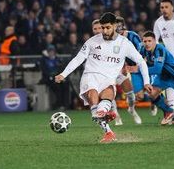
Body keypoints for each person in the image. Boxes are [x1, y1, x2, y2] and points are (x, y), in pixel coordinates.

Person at [55, 12, 150, 143]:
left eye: (107, 28)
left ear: (115, 26)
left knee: (108, 95)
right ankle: (101, 114)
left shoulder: (124, 44)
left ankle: (107, 130)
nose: (104, 31)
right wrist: (63, 74)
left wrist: (147, 82)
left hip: (108, 80)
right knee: (93, 94)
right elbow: (78, 59)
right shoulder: (92, 42)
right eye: (102, 27)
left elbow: (141, 62)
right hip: (91, 76)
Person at [116, 16, 158, 117]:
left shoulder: (133, 36)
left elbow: (142, 51)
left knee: (152, 91)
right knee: (139, 96)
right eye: (115, 26)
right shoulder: (116, 40)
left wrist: (140, 65)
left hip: (142, 65)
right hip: (132, 68)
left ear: (123, 26)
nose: (117, 28)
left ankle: (154, 102)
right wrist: (124, 66)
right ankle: (147, 98)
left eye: (119, 26)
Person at [92, 19, 123, 126]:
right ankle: (110, 114)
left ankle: (116, 113)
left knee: (108, 93)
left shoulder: (112, 40)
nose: (97, 31)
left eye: (99, 28)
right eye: (94, 29)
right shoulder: (91, 43)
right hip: (96, 74)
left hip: (111, 72)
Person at [40, 45, 70, 110]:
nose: (51, 53)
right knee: (57, 87)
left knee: (66, 85)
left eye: (52, 51)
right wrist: (53, 76)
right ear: (48, 52)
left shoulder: (58, 59)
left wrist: (62, 77)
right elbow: (44, 71)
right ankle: (58, 104)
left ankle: (66, 104)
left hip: (57, 77)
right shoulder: (44, 60)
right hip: (49, 79)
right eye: (50, 51)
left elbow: (61, 69)